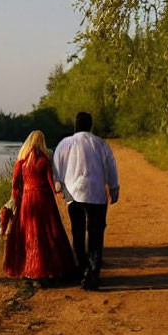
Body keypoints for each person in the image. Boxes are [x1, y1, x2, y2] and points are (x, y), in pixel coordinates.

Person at [53, 112, 120, 290]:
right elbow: (110, 166)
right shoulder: (100, 143)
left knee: (78, 231)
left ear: (75, 125)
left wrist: (58, 186)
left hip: (73, 195)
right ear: (90, 126)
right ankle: (93, 272)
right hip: (96, 195)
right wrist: (114, 188)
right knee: (96, 234)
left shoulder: (64, 144)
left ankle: (81, 268)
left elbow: (57, 168)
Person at [3, 130, 76, 282]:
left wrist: (15, 200)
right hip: (44, 199)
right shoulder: (44, 159)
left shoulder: (21, 160)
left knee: (29, 232)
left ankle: (29, 267)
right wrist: (59, 195)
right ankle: (50, 267)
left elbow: (15, 184)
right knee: (47, 232)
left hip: (28, 200)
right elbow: (51, 181)